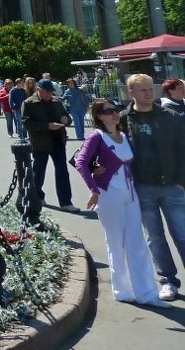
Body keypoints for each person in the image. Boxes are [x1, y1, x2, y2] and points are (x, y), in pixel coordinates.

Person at [74, 98, 168, 306]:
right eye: (108, 111)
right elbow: (81, 162)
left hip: (130, 193)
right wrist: (94, 187)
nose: (114, 114)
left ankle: (147, 293)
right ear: (99, 116)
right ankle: (122, 290)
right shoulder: (97, 137)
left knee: (137, 242)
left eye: (115, 109)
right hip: (109, 194)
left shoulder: (124, 136)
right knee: (116, 242)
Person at [121, 73, 185, 301]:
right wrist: (96, 173)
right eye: (143, 90)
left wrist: (182, 180)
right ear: (132, 93)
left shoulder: (170, 116)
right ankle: (168, 280)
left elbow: (182, 148)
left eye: (151, 89)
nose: (148, 93)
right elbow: (101, 150)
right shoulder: (123, 119)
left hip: (172, 186)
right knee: (155, 237)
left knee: (182, 234)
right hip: (142, 187)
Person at [22, 79, 78, 212]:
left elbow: (66, 117)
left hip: (58, 140)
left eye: (51, 92)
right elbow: (27, 124)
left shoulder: (57, 102)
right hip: (40, 143)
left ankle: (65, 202)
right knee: (38, 171)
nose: (49, 95)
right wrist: (47, 126)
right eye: (47, 92)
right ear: (39, 90)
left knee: (62, 171)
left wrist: (66, 120)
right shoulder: (29, 103)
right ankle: (38, 197)